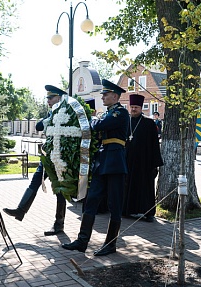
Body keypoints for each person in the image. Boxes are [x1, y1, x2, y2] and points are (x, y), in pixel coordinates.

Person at [61, 79, 129, 256]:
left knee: (115, 204)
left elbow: (99, 126)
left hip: (115, 162)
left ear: (115, 96)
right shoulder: (108, 112)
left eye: (106, 94)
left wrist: (93, 121)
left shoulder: (120, 113)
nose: (103, 97)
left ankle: (111, 244)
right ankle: (82, 241)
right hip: (102, 161)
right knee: (90, 201)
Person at [3, 85, 68, 236]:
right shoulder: (51, 114)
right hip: (47, 156)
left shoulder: (67, 113)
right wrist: (50, 116)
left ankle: (59, 224)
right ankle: (20, 211)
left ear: (59, 98)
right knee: (35, 181)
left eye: (51, 98)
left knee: (60, 190)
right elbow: (39, 126)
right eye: (47, 98)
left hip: (59, 157)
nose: (48, 101)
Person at [122, 94, 163, 222]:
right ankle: (127, 210)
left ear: (141, 108)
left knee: (145, 186)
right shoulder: (125, 121)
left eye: (136, 107)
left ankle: (148, 212)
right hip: (127, 160)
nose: (133, 109)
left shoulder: (149, 123)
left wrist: (155, 164)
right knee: (127, 186)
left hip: (144, 162)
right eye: (132, 107)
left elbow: (154, 145)